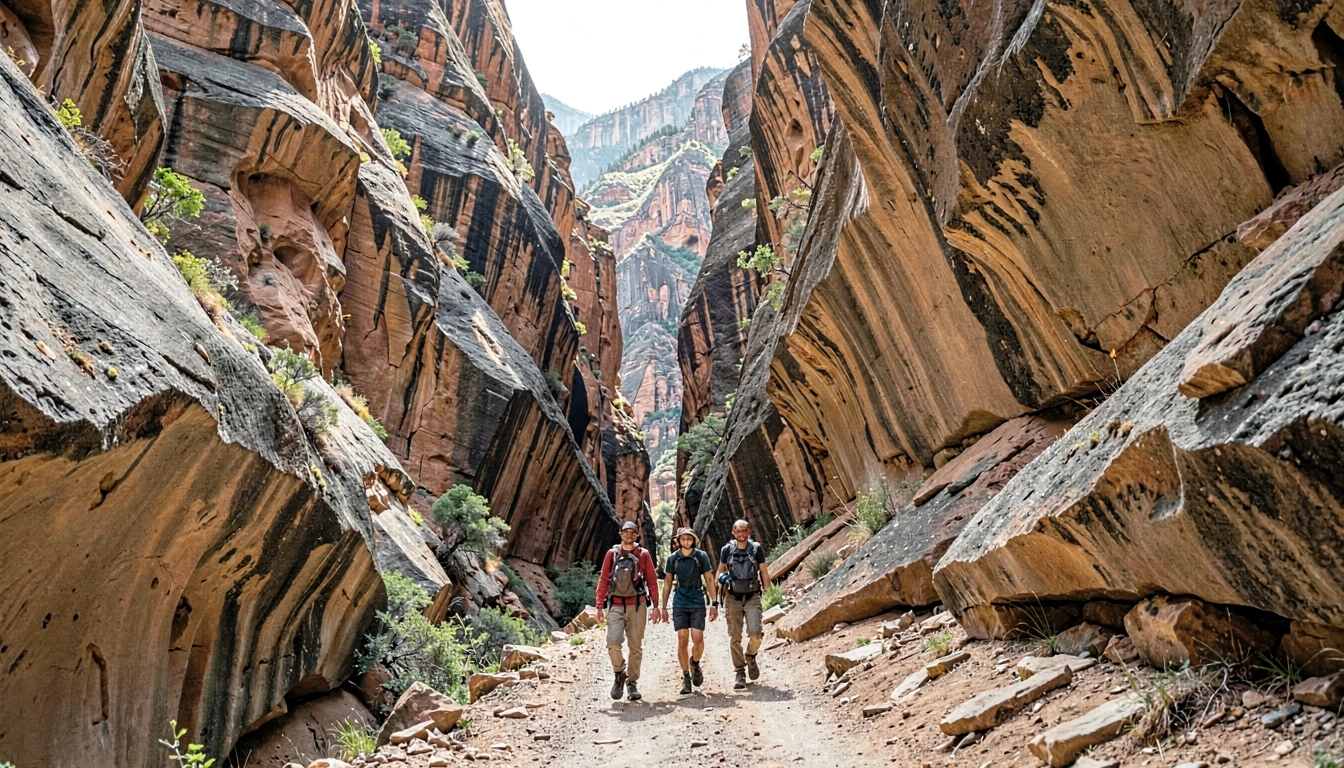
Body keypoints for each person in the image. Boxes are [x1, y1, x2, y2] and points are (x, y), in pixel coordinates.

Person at [595, 520, 662, 701]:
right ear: (620, 534)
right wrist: (599, 606)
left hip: (638, 606)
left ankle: (632, 683)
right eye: (626, 532)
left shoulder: (643, 554)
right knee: (613, 643)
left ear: (637, 535)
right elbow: (603, 579)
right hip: (615, 605)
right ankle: (619, 674)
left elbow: (652, 581)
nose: (629, 535)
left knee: (635, 647)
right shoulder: (612, 554)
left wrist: (656, 606)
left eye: (632, 533)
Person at [660, 527, 718, 695]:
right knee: (682, 639)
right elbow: (668, 582)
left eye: (689, 539)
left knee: (698, 640)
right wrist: (664, 607)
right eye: (683, 539)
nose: (686, 542)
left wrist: (714, 603)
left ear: (693, 540)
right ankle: (686, 677)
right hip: (680, 602)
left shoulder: (701, 556)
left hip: (697, 600)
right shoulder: (673, 559)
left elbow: (708, 578)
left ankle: (695, 663)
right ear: (679, 540)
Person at [716, 519, 771, 689]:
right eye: (737, 531)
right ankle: (739, 671)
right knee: (735, 637)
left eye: (744, 531)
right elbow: (720, 570)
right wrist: (721, 579)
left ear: (749, 531)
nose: (741, 534)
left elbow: (763, 570)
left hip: (752, 595)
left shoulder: (756, 549)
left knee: (756, 633)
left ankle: (751, 655)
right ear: (733, 532)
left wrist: (769, 591)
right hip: (732, 597)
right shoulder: (727, 550)